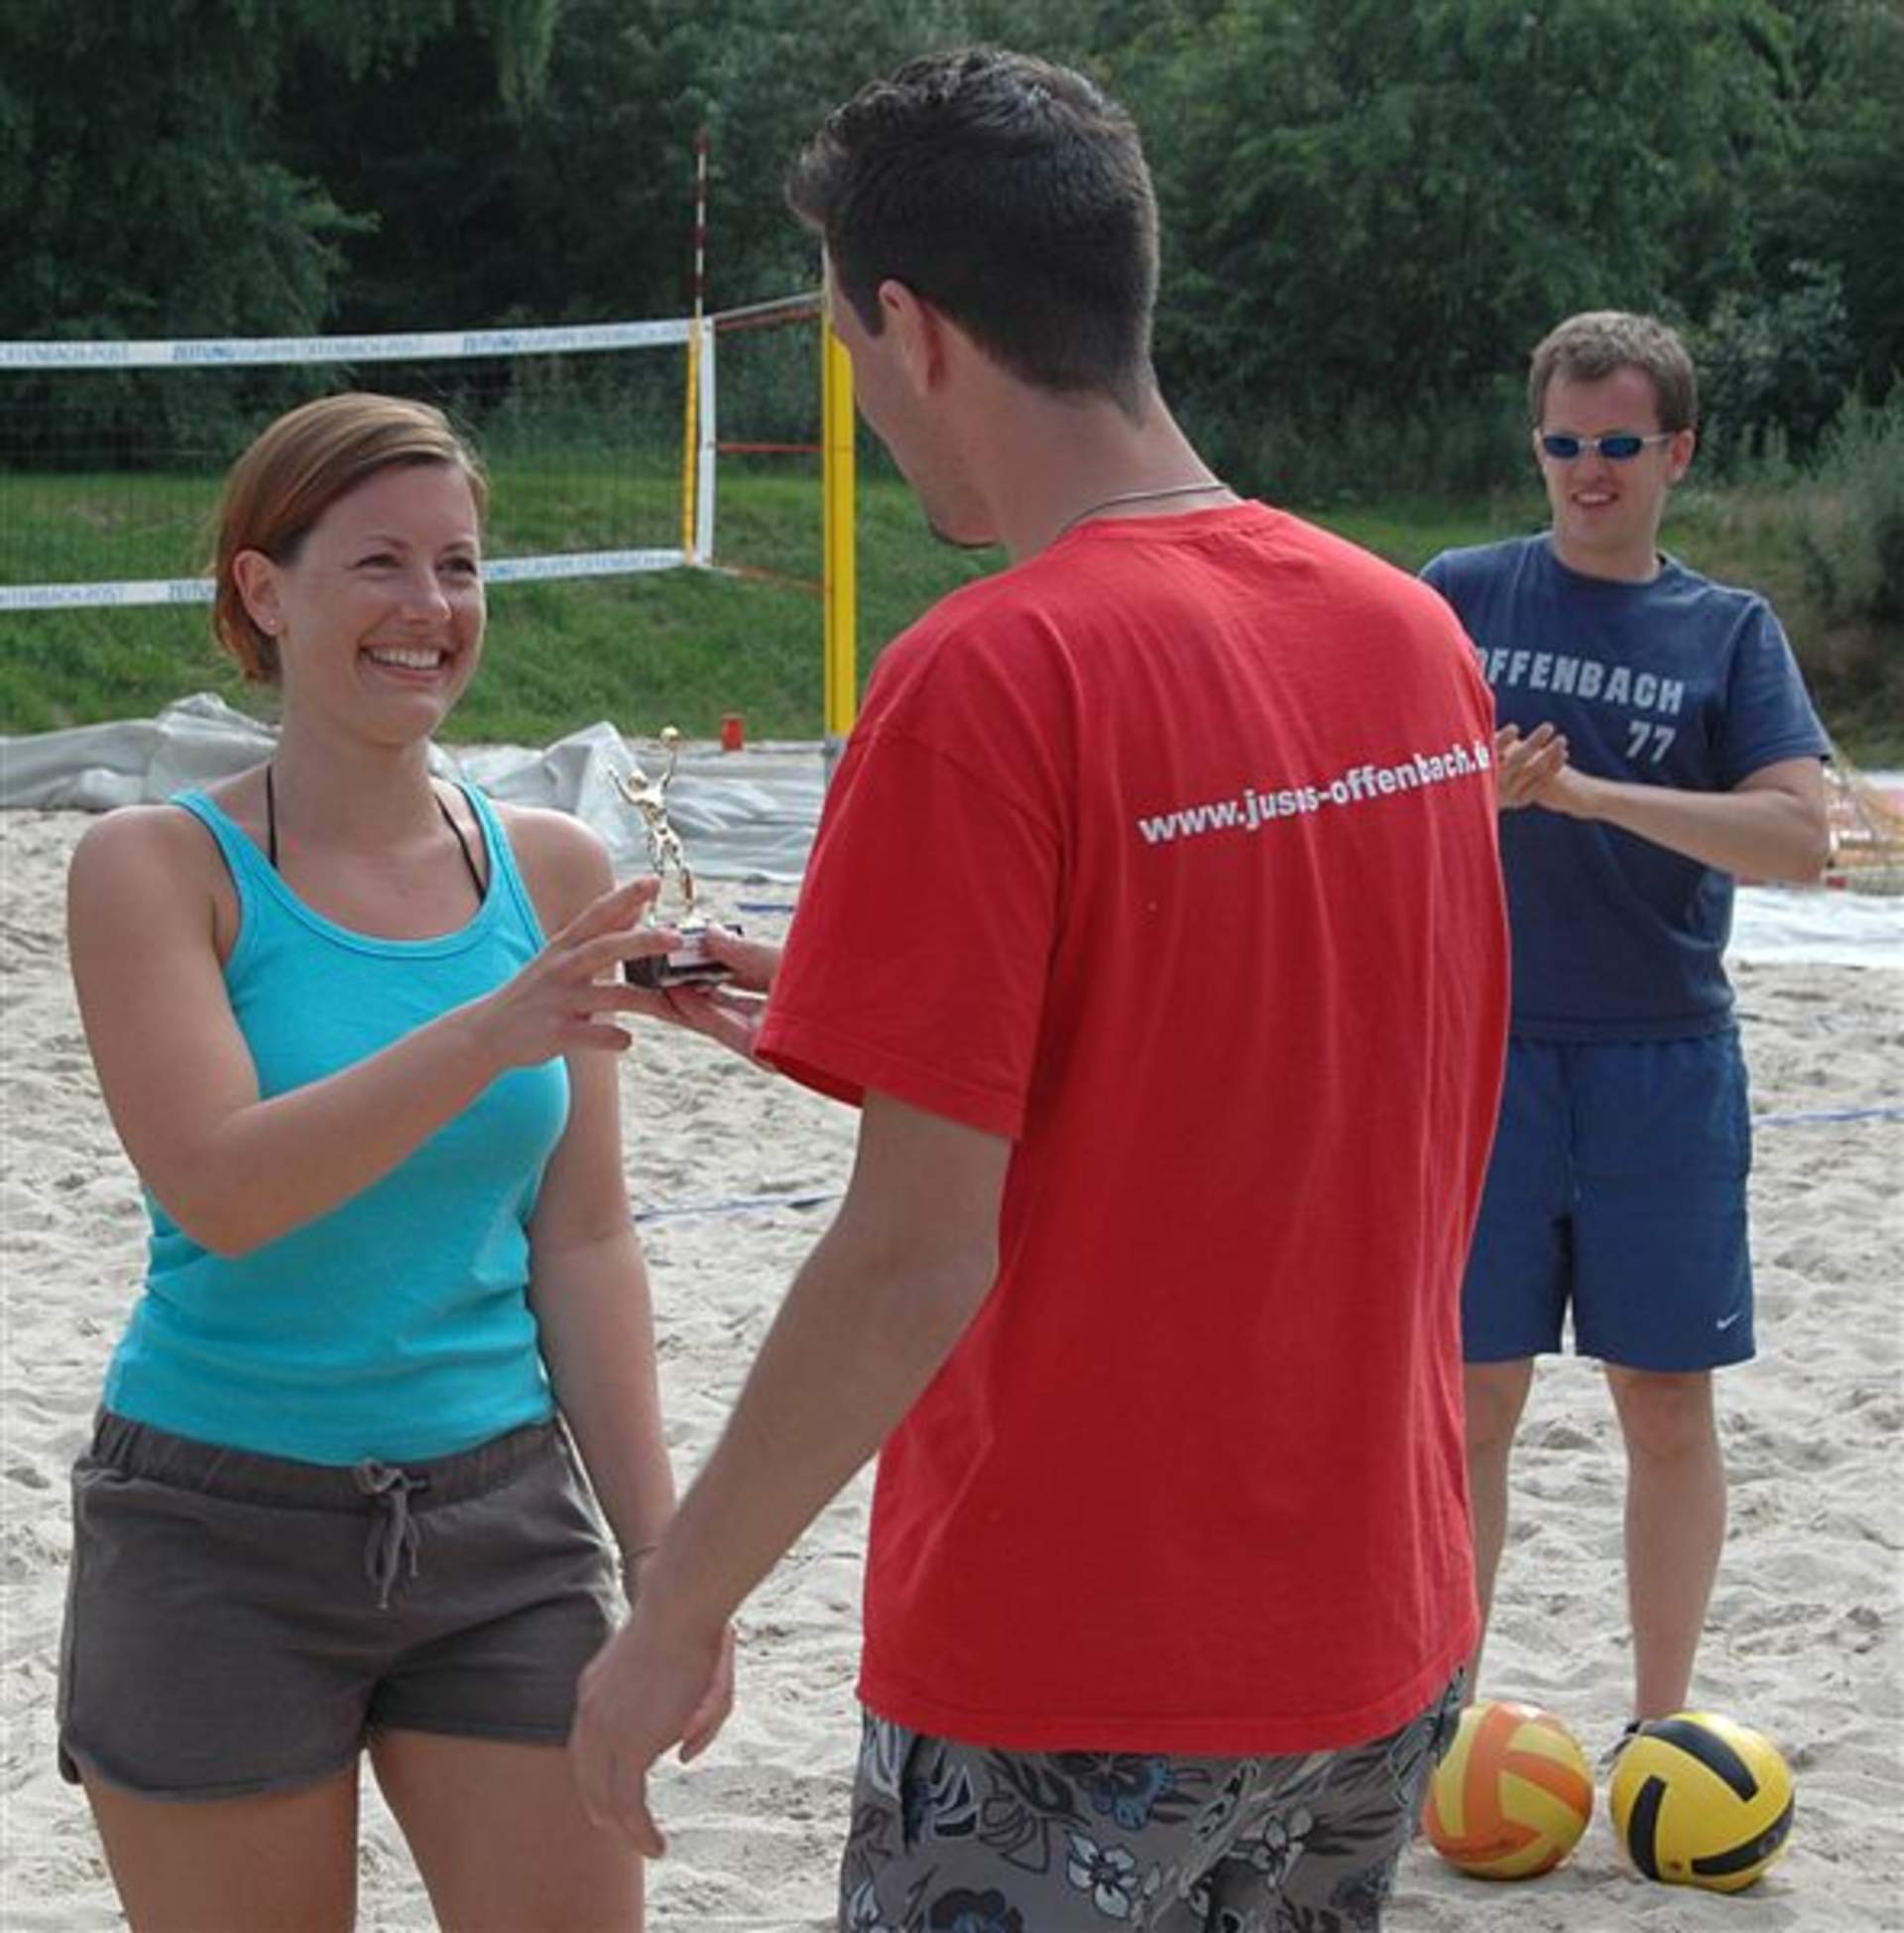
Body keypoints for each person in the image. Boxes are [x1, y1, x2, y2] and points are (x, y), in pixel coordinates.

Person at [572, 49, 1509, 1930]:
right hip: (1379, 1637)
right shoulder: (1403, 629)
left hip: (1083, 1660)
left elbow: (916, 1257)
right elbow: (1300, 1045)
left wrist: (676, 1607)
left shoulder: (991, 668)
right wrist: (851, 1002)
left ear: (910, 327)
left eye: (843, 345)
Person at [59, 391, 732, 1933]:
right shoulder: (155, 867)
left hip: (500, 1520)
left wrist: (667, 1565)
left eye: (462, 566)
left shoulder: (551, 868)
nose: (430, 610)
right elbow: (224, 1189)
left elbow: (586, 1245)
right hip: (213, 1526)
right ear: (262, 589)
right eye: (379, 564)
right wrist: (492, 1030)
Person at [1420, 311, 1832, 1744]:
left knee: (1665, 1398)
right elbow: (1354, 788)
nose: (1587, 471)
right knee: (1472, 1398)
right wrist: (1463, 795)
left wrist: (1594, 797)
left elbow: (1799, 837)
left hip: (1662, 1059)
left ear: (1677, 452)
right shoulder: (1457, 597)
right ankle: (1439, 1721)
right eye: (1563, 443)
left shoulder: (1727, 631)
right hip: (1482, 1054)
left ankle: (1662, 1724)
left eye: (1616, 445)